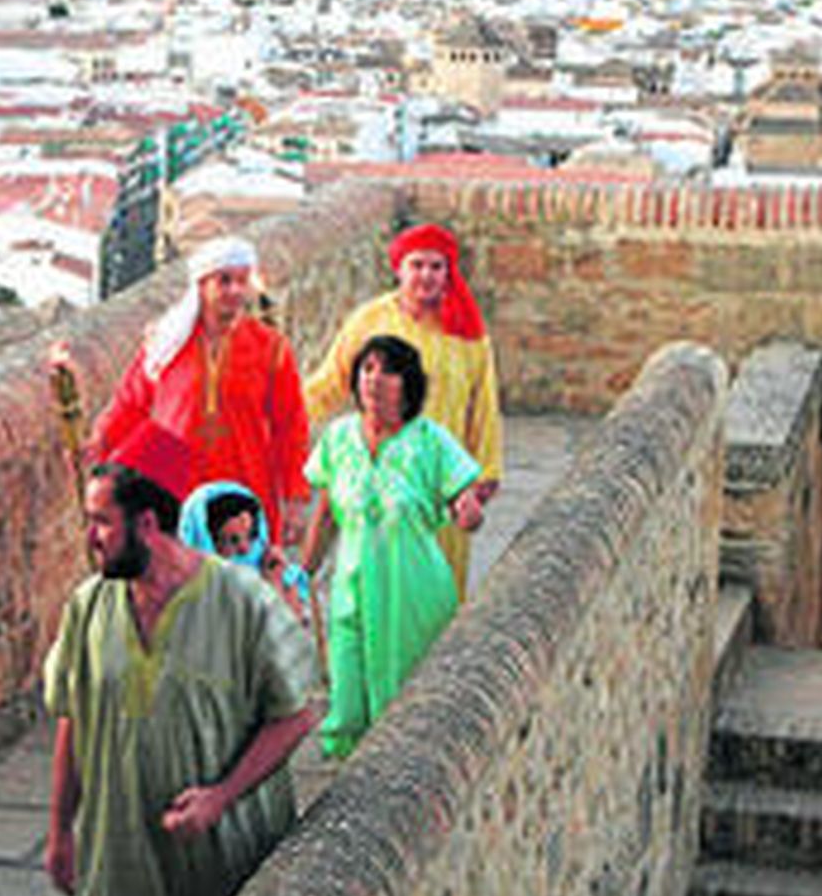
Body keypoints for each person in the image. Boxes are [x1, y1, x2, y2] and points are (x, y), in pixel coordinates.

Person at [43, 422, 318, 896]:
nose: (90, 538)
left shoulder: (243, 602)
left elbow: (298, 715)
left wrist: (221, 795)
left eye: (101, 521)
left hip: (226, 864)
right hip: (122, 872)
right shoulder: (89, 606)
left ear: (147, 524)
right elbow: (71, 718)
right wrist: (60, 831)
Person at [302, 335, 483, 760]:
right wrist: (302, 572)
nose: (375, 380)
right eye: (367, 369)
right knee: (347, 694)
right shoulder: (338, 439)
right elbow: (326, 513)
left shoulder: (429, 441)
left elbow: (463, 494)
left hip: (413, 591)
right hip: (352, 589)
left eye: (388, 371)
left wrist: (467, 507)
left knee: (405, 704)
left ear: (408, 384)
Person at [64, 236, 311, 545]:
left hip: (244, 485)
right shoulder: (167, 343)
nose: (235, 291)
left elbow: (290, 425)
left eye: (241, 281)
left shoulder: (271, 348)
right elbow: (131, 401)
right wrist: (100, 439)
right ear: (201, 286)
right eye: (224, 281)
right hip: (175, 488)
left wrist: (295, 496)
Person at [302, 223, 502, 597]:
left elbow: (484, 406)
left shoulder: (467, 333)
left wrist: (482, 476)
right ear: (399, 269)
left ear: (448, 273)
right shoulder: (370, 321)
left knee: (436, 587)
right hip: (380, 468)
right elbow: (331, 382)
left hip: (442, 477)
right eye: (417, 265)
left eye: (436, 267)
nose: (426, 276)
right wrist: (282, 414)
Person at [178, 480, 312, 623]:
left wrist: (276, 581)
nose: (245, 549)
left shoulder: (278, 573)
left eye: (252, 535)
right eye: (232, 540)